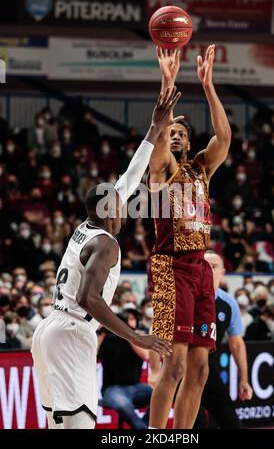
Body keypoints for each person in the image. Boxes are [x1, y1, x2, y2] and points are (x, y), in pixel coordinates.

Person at [31, 88, 180, 430]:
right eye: (118, 200)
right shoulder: (107, 244)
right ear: (108, 208)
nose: (124, 201)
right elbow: (89, 297)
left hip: (51, 328)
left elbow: (129, 178)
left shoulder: (87, 225)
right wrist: (136, 337)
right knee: (82, 424)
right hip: (72, 330)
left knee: (59, 426)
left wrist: (154, 129)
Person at [148, 46, 231, 429]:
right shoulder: (161, 171)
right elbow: (159, 139)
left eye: (182, 133)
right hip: (170, 267)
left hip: (200, 270)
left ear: (190, 140)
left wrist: (208, 85)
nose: (176, 137)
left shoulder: (201, 170)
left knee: (199, 370)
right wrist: (168, 82)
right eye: (172, 133)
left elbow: (224, 136)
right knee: (175, 362)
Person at [193, 251, 253, 429]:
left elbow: (237, 344)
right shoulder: (186, 297)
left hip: (209, 371)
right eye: (204, 265)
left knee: (232, 424)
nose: (209, 270)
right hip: (183, 373)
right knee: (196, 426)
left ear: (223, 272)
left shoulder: (229, 304)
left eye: (214, 266)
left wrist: (244, 379)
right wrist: (157, 369)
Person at [98, 309, 152, 429]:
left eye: (131, 319)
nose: (127, 322)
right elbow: (92, 356)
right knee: (123, 403)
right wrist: (103, 332)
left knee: (162, 395)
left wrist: (127, 333)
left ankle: (144, 425)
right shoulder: (107, 338)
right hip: (112, 389)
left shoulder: (138, 338)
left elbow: (145, 355)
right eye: (123, 320)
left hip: (136, 387)